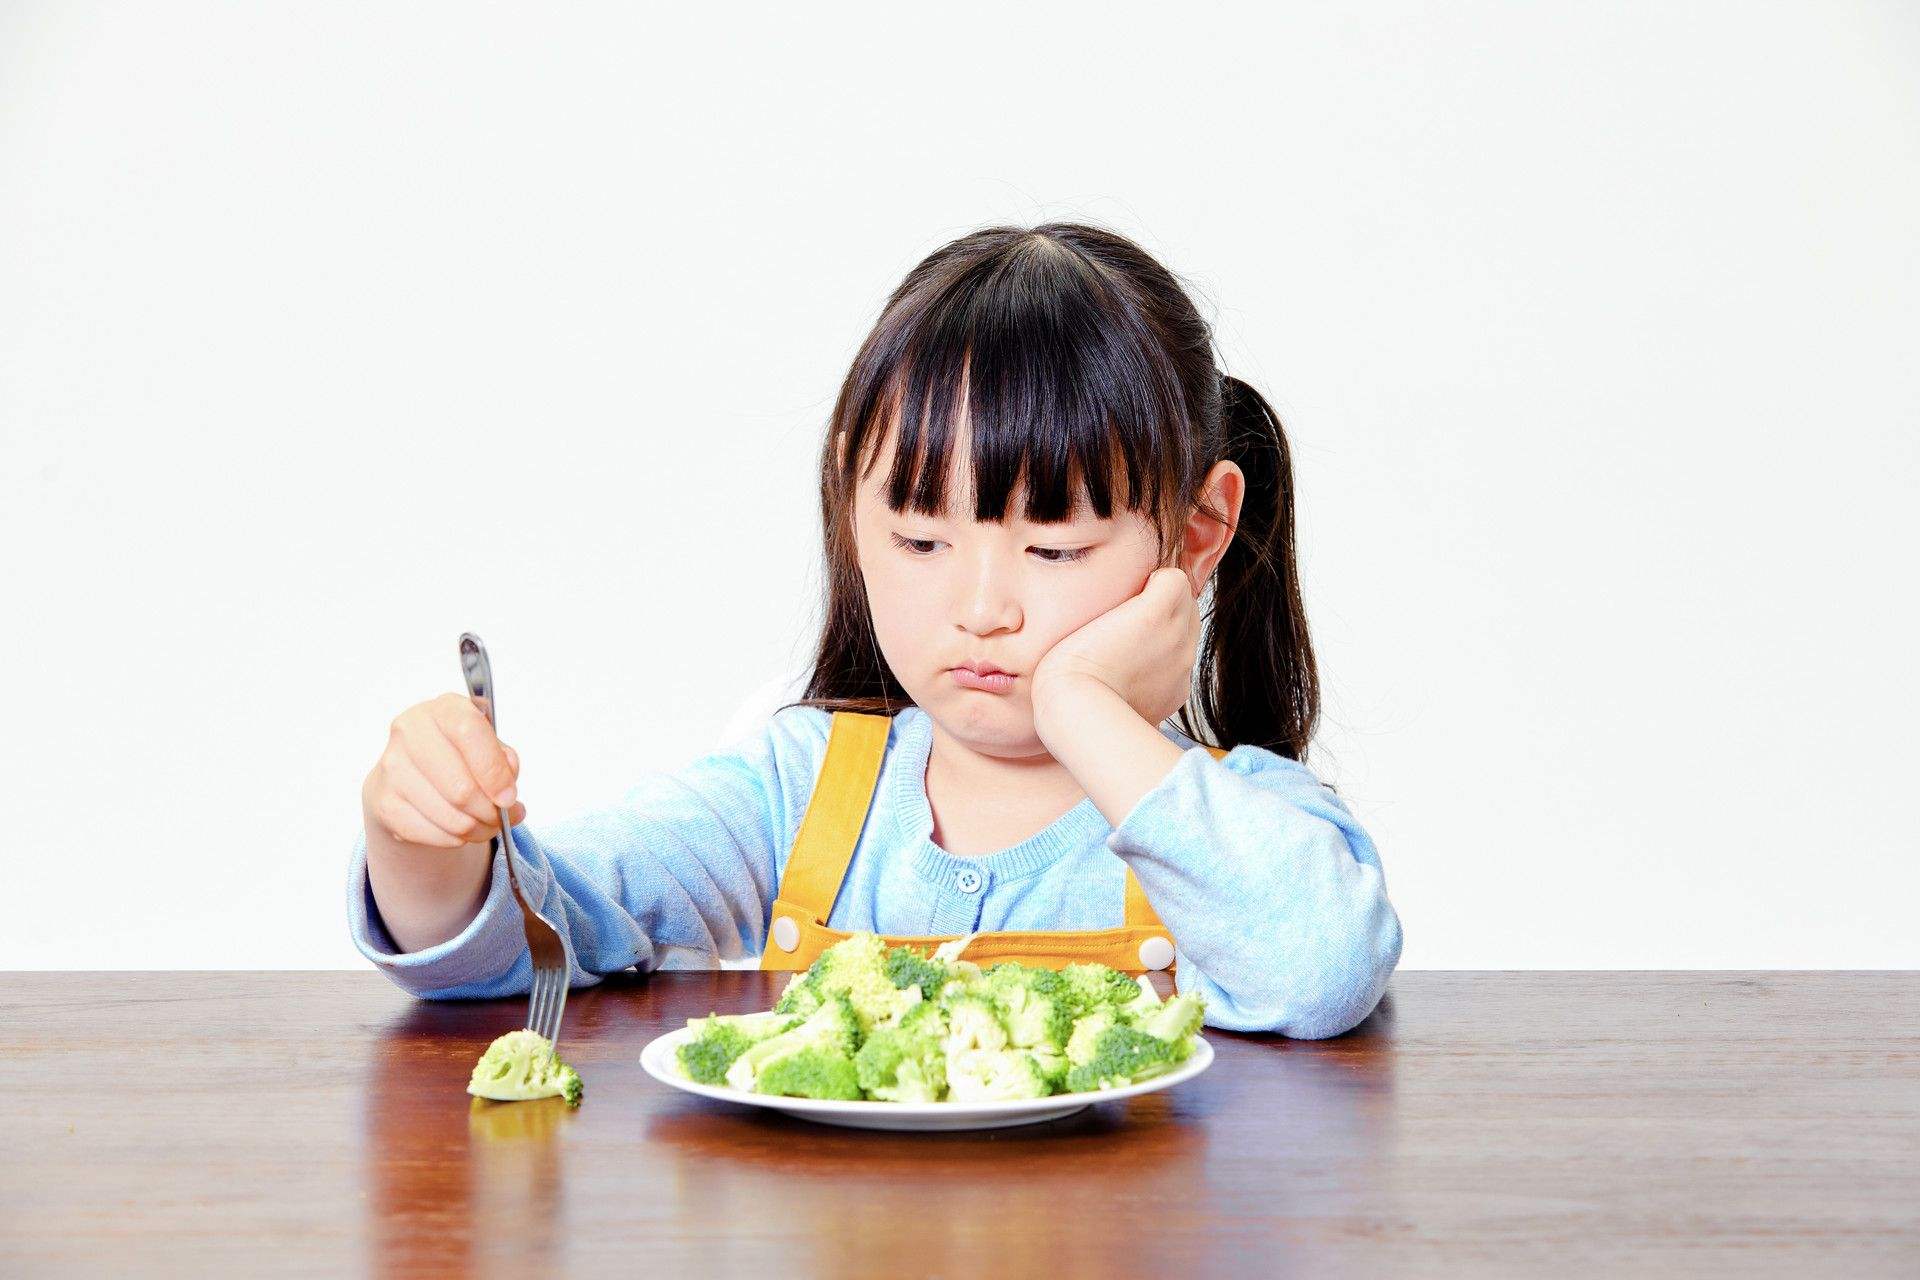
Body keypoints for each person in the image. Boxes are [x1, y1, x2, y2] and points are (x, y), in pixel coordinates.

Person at [348, 222, 1402, 1038]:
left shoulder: (1238, 823)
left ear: (1199, 528)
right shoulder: (798, 792)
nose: (980, 605)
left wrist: (1084, 706)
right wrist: (424, 842)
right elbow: (531, 936)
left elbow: (1318, 970)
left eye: (1054, 548)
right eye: (918, 539)